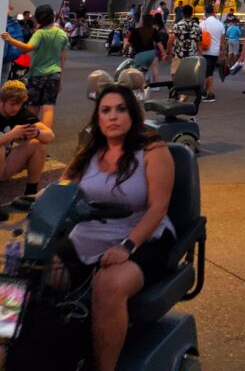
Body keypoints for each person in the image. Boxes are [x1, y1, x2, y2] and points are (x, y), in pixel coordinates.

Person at [60, 84, 175, 371]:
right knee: (27, 273)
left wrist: (126, 247)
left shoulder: (152, 149)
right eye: (106, 110)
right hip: (87, 235)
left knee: (107, 284)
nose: (113, 117)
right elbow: (61, 192)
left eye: (121, 109)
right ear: (97, 118)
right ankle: (22, 352)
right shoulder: (88, 153)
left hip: (142, 238)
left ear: (132, 114)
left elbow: (158, 208)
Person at [1, 3, 68, 130]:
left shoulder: (40, 33)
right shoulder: (62, 34)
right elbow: (63, 58)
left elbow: (27, 49)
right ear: (52, 17)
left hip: (37, 75)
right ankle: (43, 137)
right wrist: (60, 78)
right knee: (49, 108)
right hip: (55, 74)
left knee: (33, 106)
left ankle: (28, 133)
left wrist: (9, 39)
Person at [0, 79, 54, 212]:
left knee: (38, 144)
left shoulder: (19, 112)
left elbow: (50, 135)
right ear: (2, 101)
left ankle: (30, 194)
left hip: (5, 164)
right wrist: (11, 135)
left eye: (19, 104)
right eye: (12, 104)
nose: (16, 108)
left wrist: (36, 132)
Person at [200, 4, 226, 102]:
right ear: (213, 12)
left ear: (206, 12)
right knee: (208, 72)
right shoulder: (220, 24)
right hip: (215, 52)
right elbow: (223, 42)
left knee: (208, 74)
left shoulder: (203, 23)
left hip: (205, 51)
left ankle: (211, 94)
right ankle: (204, 92)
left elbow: (199, 39)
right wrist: (223, 54)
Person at [129, 14, 166, 82]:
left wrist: (128, 49)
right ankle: (155, 86)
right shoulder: (153, 30)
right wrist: (163, 53)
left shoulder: (136, 31)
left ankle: (141, 83)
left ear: (143, 21)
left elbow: (129, 43)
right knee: (151, 68)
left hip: (140, 53)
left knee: (138, 70)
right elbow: (159, 43)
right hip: (151, 53)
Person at [166, 4, 201, 74]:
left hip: (179, 55)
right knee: (189, 75)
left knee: (174, 74)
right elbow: (198, 43)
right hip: (192, 56)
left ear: (182, 13)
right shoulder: (197, 27)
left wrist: (167, 52)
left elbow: (171, 40)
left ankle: (176, 85)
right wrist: (200, 55)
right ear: (191, 14)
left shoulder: (178, 25)